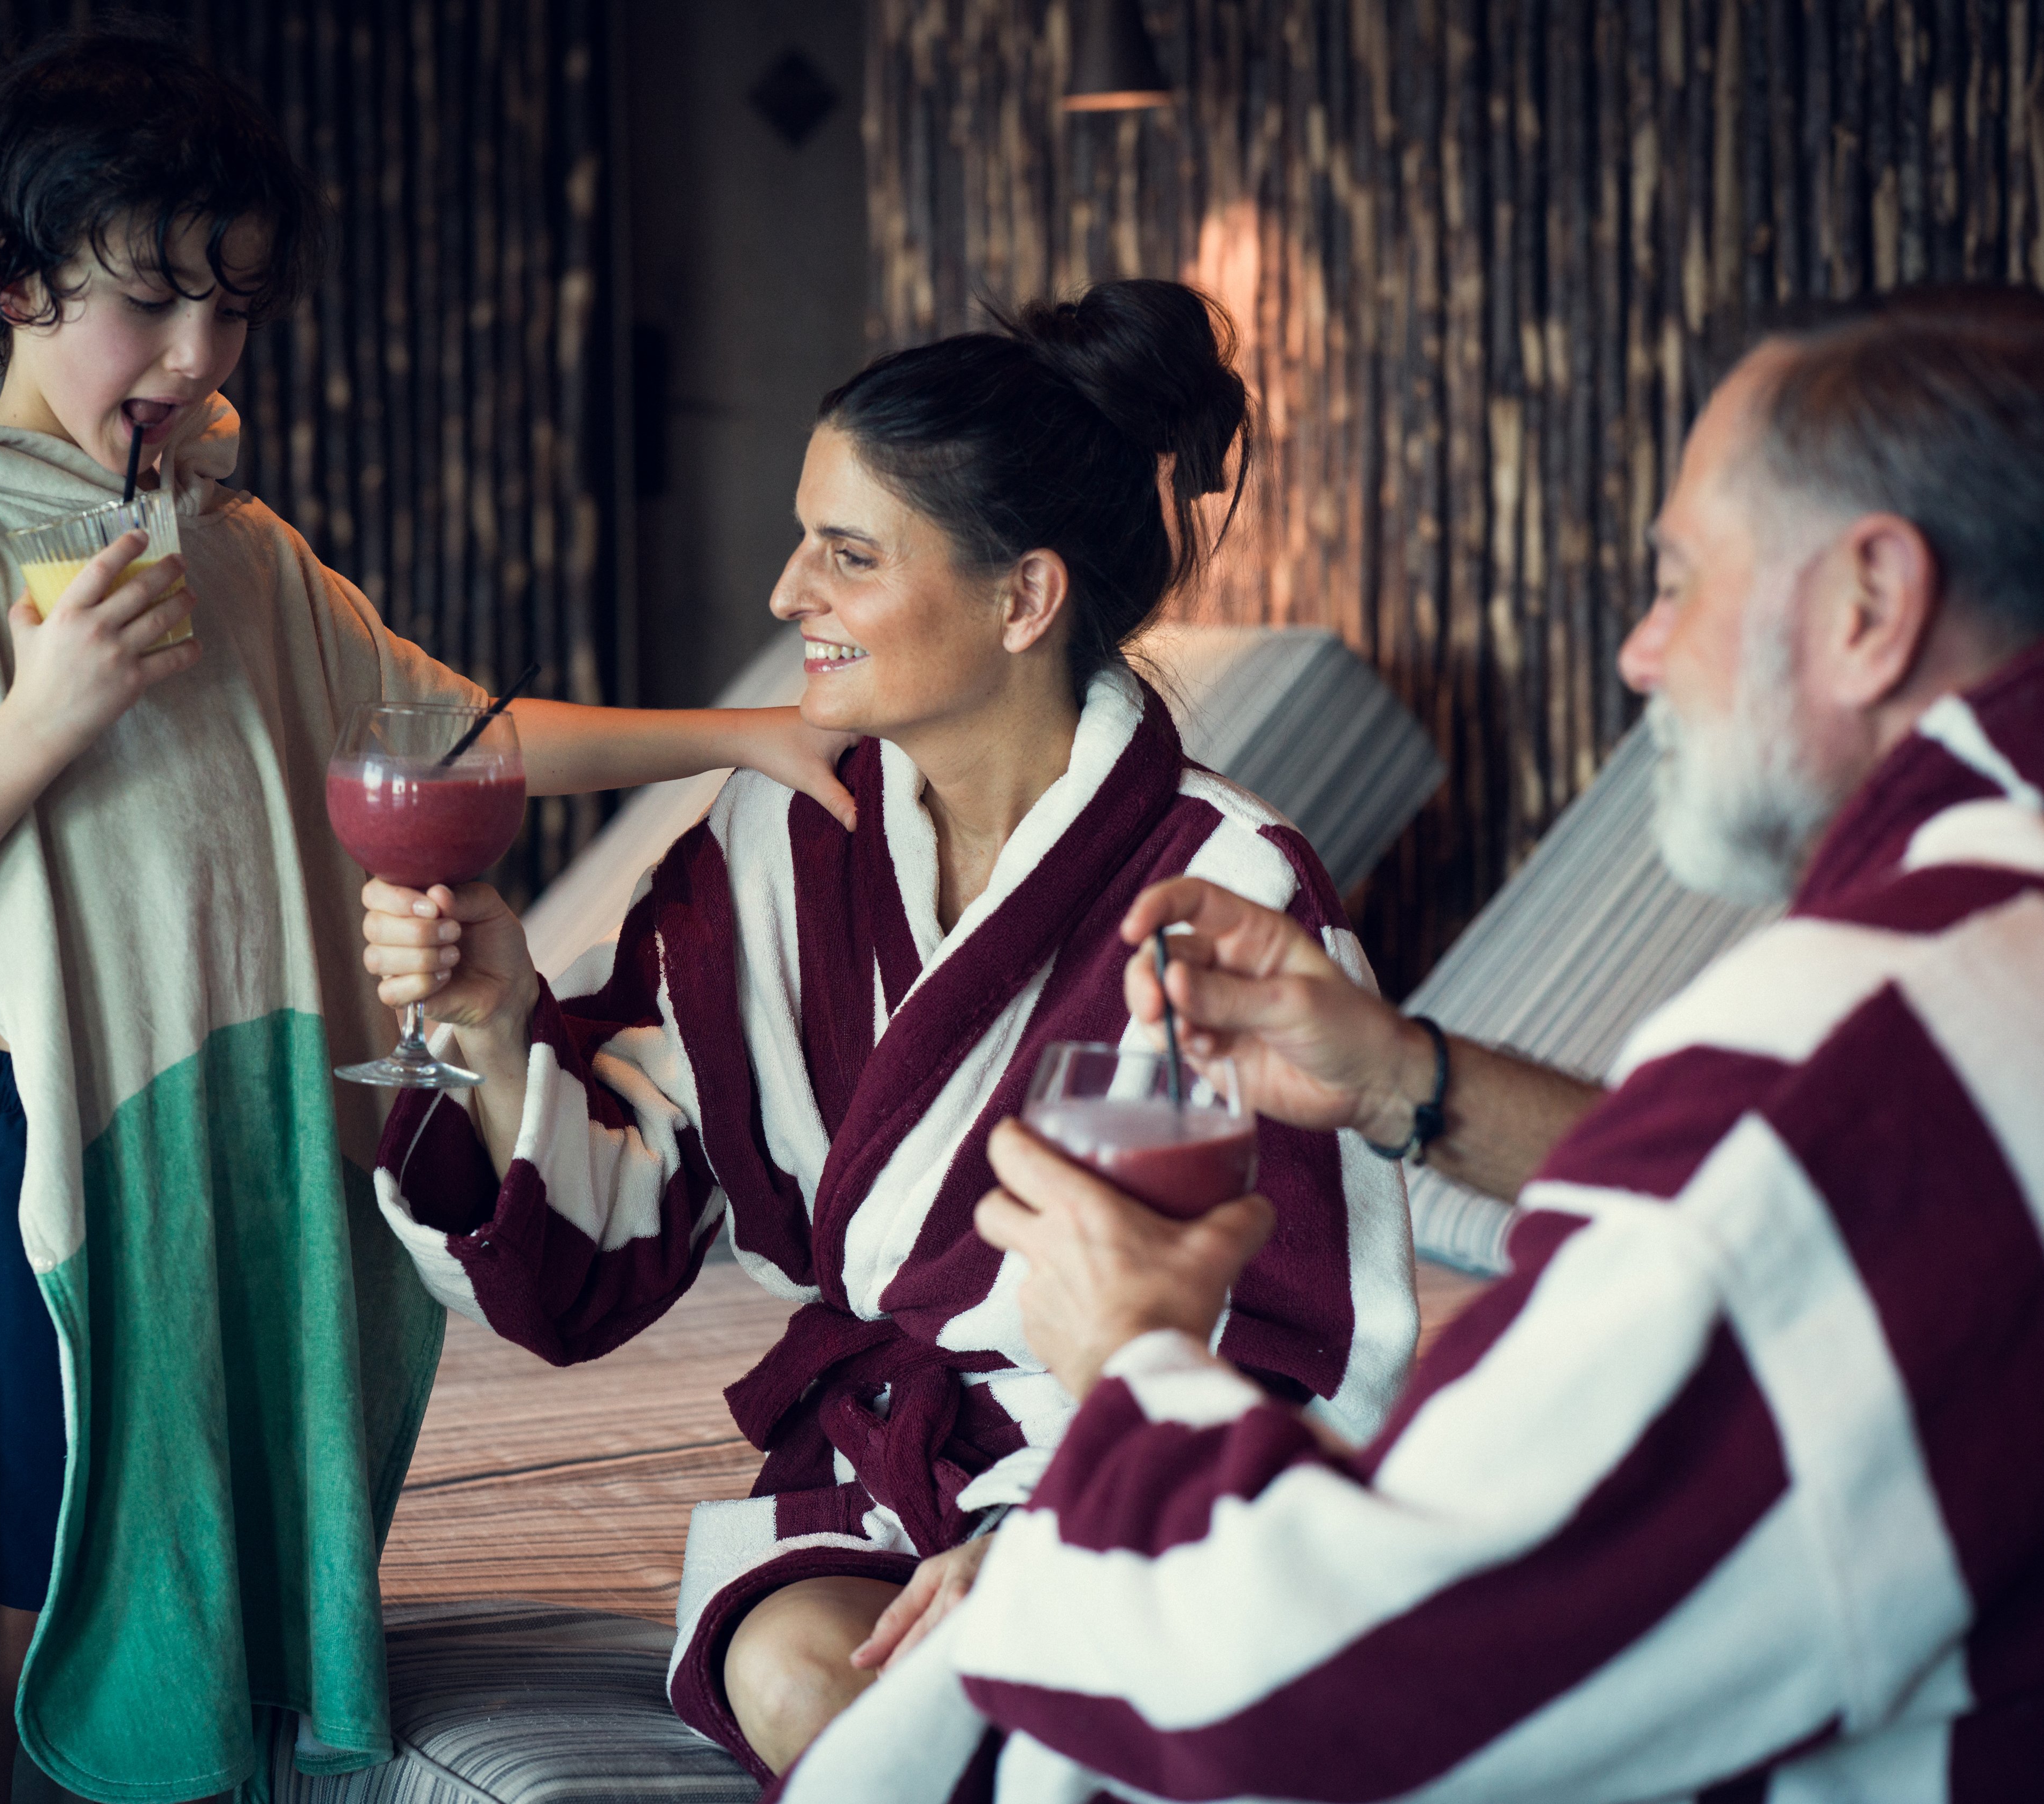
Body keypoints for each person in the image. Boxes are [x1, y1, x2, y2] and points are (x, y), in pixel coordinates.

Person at [0, 30, 852, 1804]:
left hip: (252, 1134)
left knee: (225, 1554)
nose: (194, 360)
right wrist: (43, 717)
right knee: (32, 1576)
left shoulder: (242, 552)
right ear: (15, 283)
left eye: (234, 314)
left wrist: (745, 733)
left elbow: (456, 729)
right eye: (152, 304)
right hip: (55, 1166)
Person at [772, 285, 2044, 1801]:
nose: (1639, 659)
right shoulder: (1964, 995)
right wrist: (1408, 1079)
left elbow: (1317, 1689)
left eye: (1679, 580)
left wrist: (1132, 1368)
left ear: (1867, 605)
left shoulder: (1842, 1039)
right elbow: (1829, 1206)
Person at [359, 278, 1421, 1782]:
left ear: (1022, 598)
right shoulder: (777, 842)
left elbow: (1315, 1352)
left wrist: (1058, 1541)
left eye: (846, 556)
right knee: (809, 1667)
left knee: (1004, 1707)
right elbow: (614, 1238)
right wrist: (486, 1023)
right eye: (805, 541)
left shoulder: (1233, 895)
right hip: (879, 1481)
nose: (788, 593)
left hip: (1137, 1486)